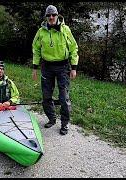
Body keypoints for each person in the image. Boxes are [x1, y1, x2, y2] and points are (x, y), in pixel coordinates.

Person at [32, 5, 79, 135]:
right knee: (46, 96)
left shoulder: (65, 30)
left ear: (57, 15)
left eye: (53, 15)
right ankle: (52, 118)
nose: (51, 17)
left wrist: (74, 67)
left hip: (63, 67)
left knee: (64, 98)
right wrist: (35, 68)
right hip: (46, 67)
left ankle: (64, 124)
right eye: (48, 15)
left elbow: (73, 48)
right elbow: (35, 49)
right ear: (46, 17)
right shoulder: (41, 32)